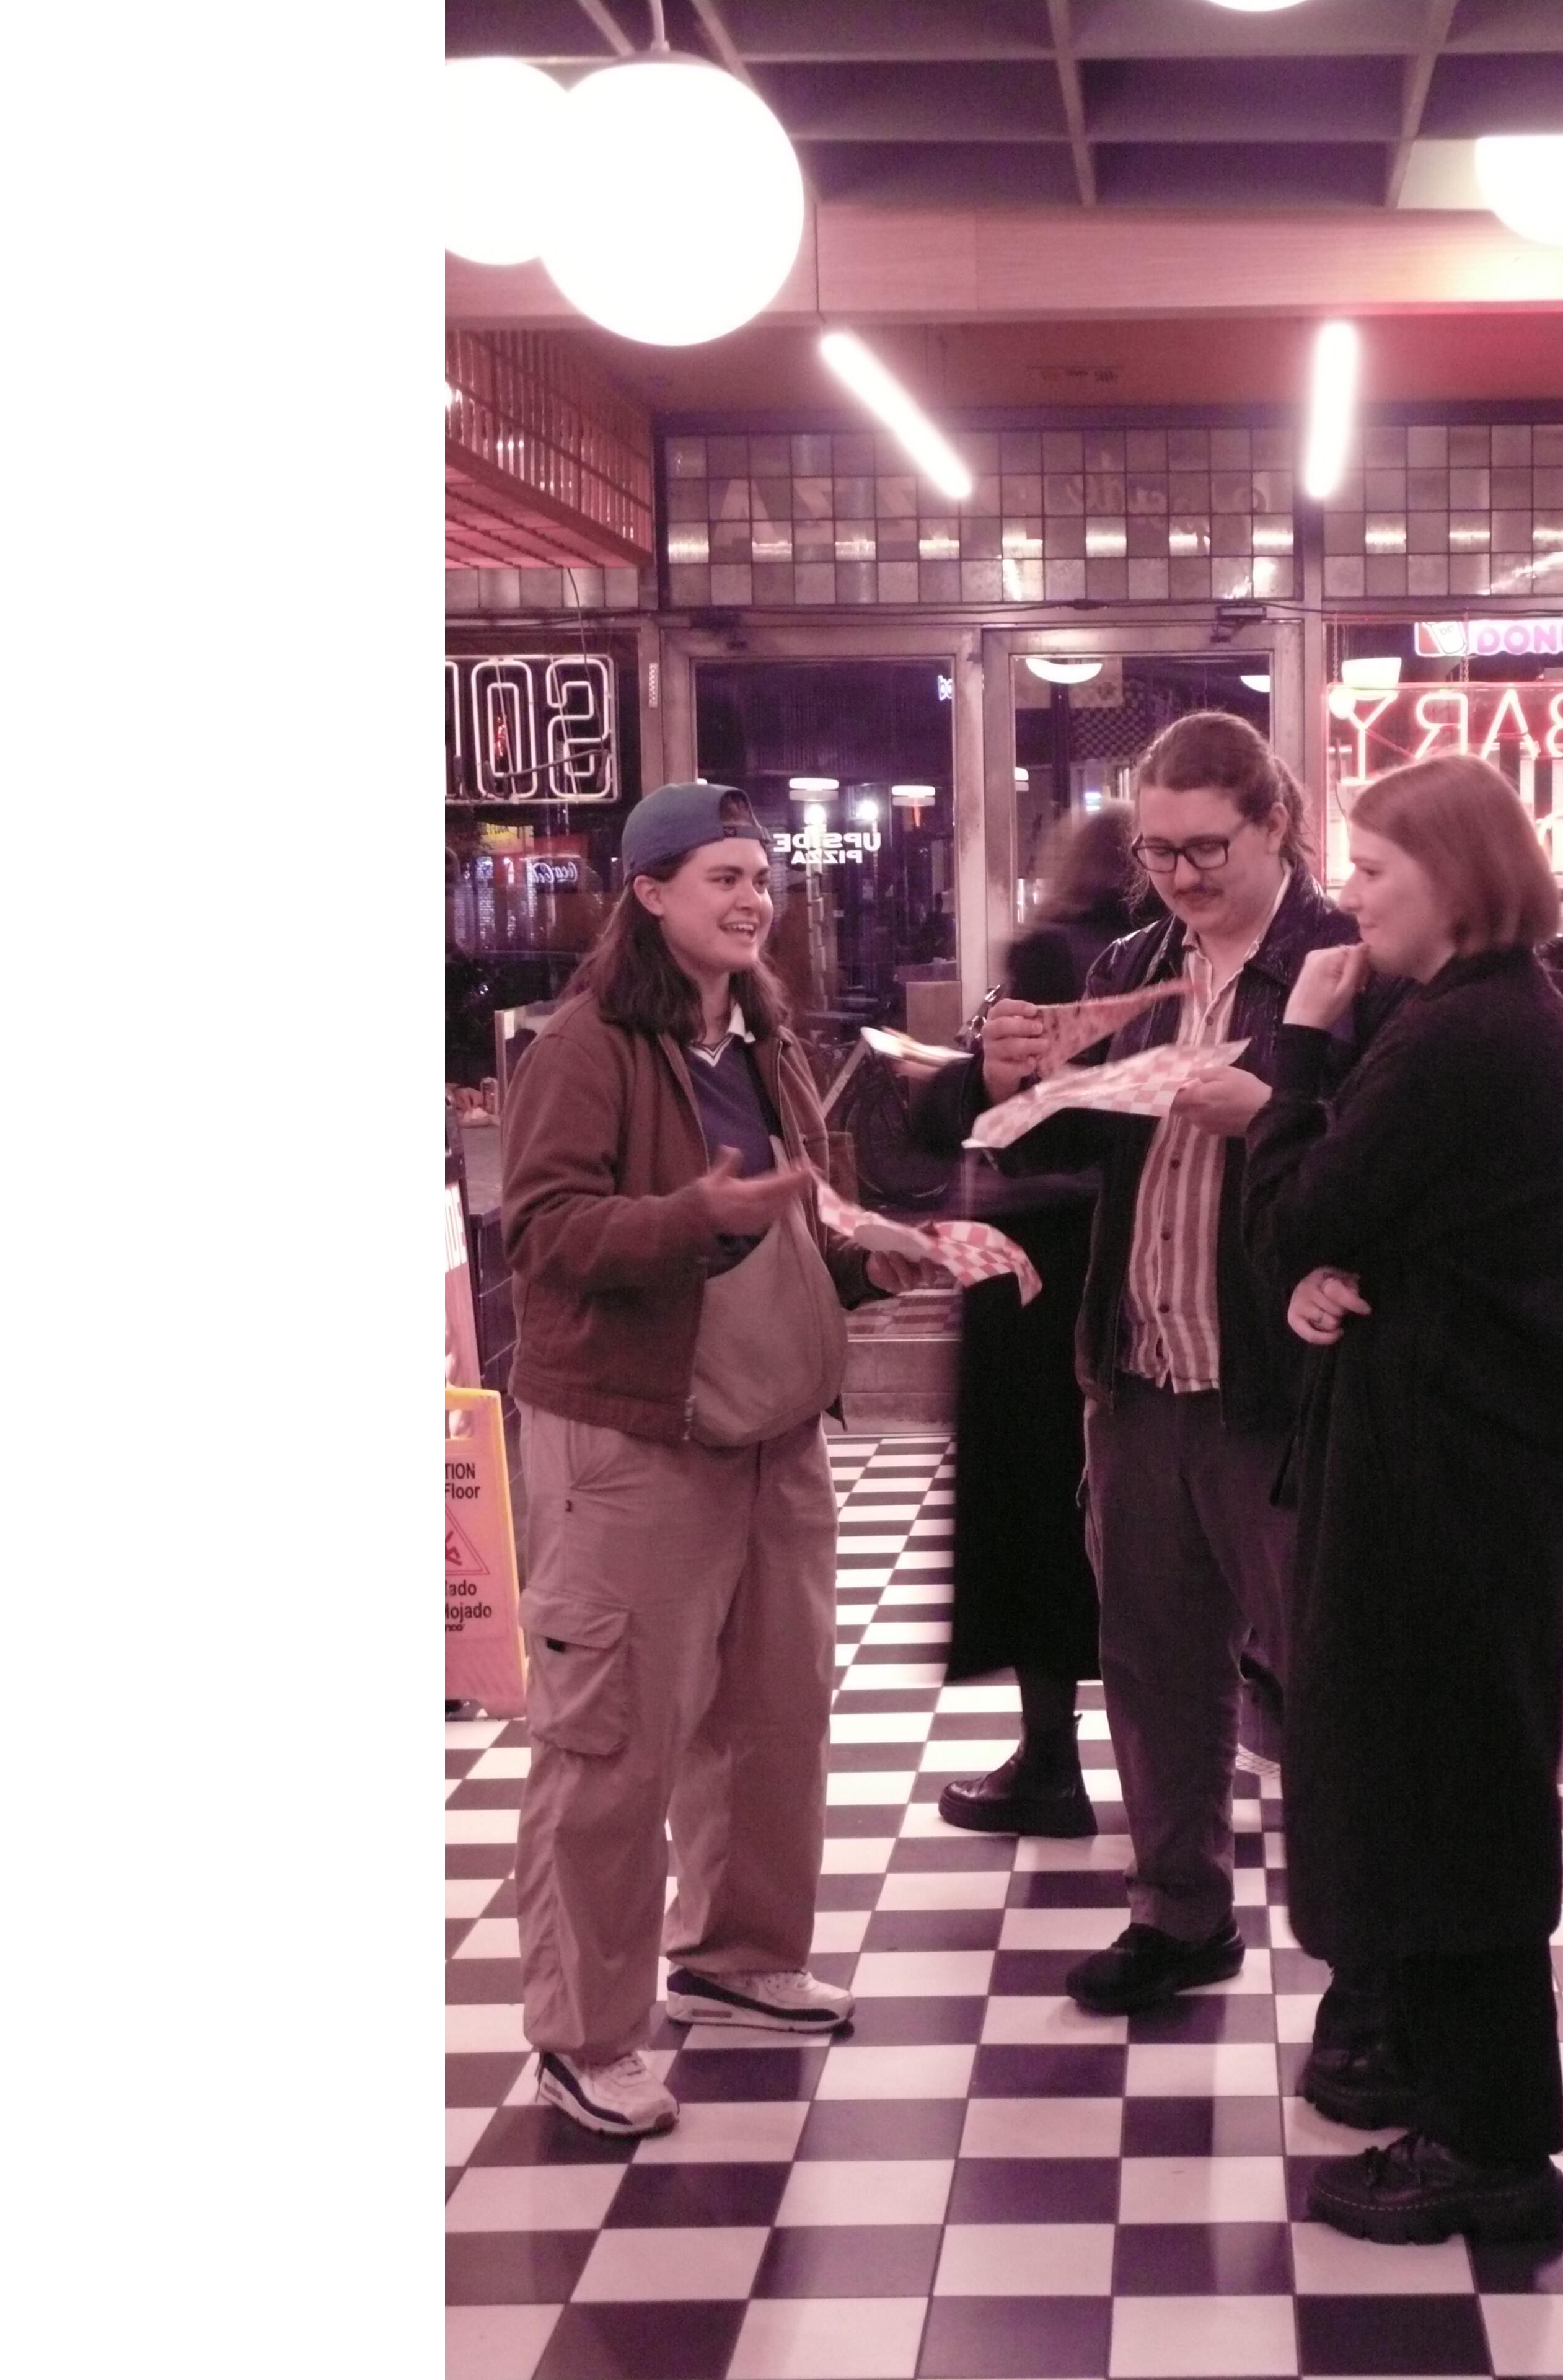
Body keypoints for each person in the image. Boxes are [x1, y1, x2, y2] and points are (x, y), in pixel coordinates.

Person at [498, 781, 938, 2138]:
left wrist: (868, 1262)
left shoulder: (762, 1037)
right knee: (612, 1743)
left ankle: (738, 1960)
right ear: (648, 894)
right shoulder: (585, 1048)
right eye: (723, 879)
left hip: (775, 1435)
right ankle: (585, 2036)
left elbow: (788, 1233)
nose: (754, 900)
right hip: (635, 1437)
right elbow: (546, 1237)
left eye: (761, 877)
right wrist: (698, 1215)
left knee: (770, 1716)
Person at [938, 711, 1388, 2014]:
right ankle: (1179, 1913)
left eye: (1205, 849)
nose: (1179, 876)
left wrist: (1280, 1111)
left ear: (1276, 825)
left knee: (1327, 1682)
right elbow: (1052, 1149)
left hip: (1279, 1388)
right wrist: (1009, 1080)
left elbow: (1392, 1162)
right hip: (1140, 1371)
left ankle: (1366, 1963)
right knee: (1152, 1668)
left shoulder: (1347, 966)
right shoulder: (1131, 965)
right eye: (1158, 851)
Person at [1241, 752, 1563, 2245]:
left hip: (1438, 1479)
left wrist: (1297, 1054)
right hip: (1471, 1462)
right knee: (1450, 1790)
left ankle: (1487, 2148)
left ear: (1453, 880)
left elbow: (1301, 1208)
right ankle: (1458, 2098)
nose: (1350, 898)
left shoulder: (1460, 1037)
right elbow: (1379, 1231)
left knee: (1438, 1795)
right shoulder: (1504, 1021)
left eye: (1374, 870)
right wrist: (1336, 1272)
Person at [920, 804, 1136, 1837]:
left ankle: (1050, 1759)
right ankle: (1177, 1771)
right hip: (1132, 1262)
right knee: (1147, 1520)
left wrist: (963, 1086)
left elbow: (1004, 1117)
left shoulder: (1049, 954)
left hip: (1032, 1275)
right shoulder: (1172, 969)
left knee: (1033, 1513)